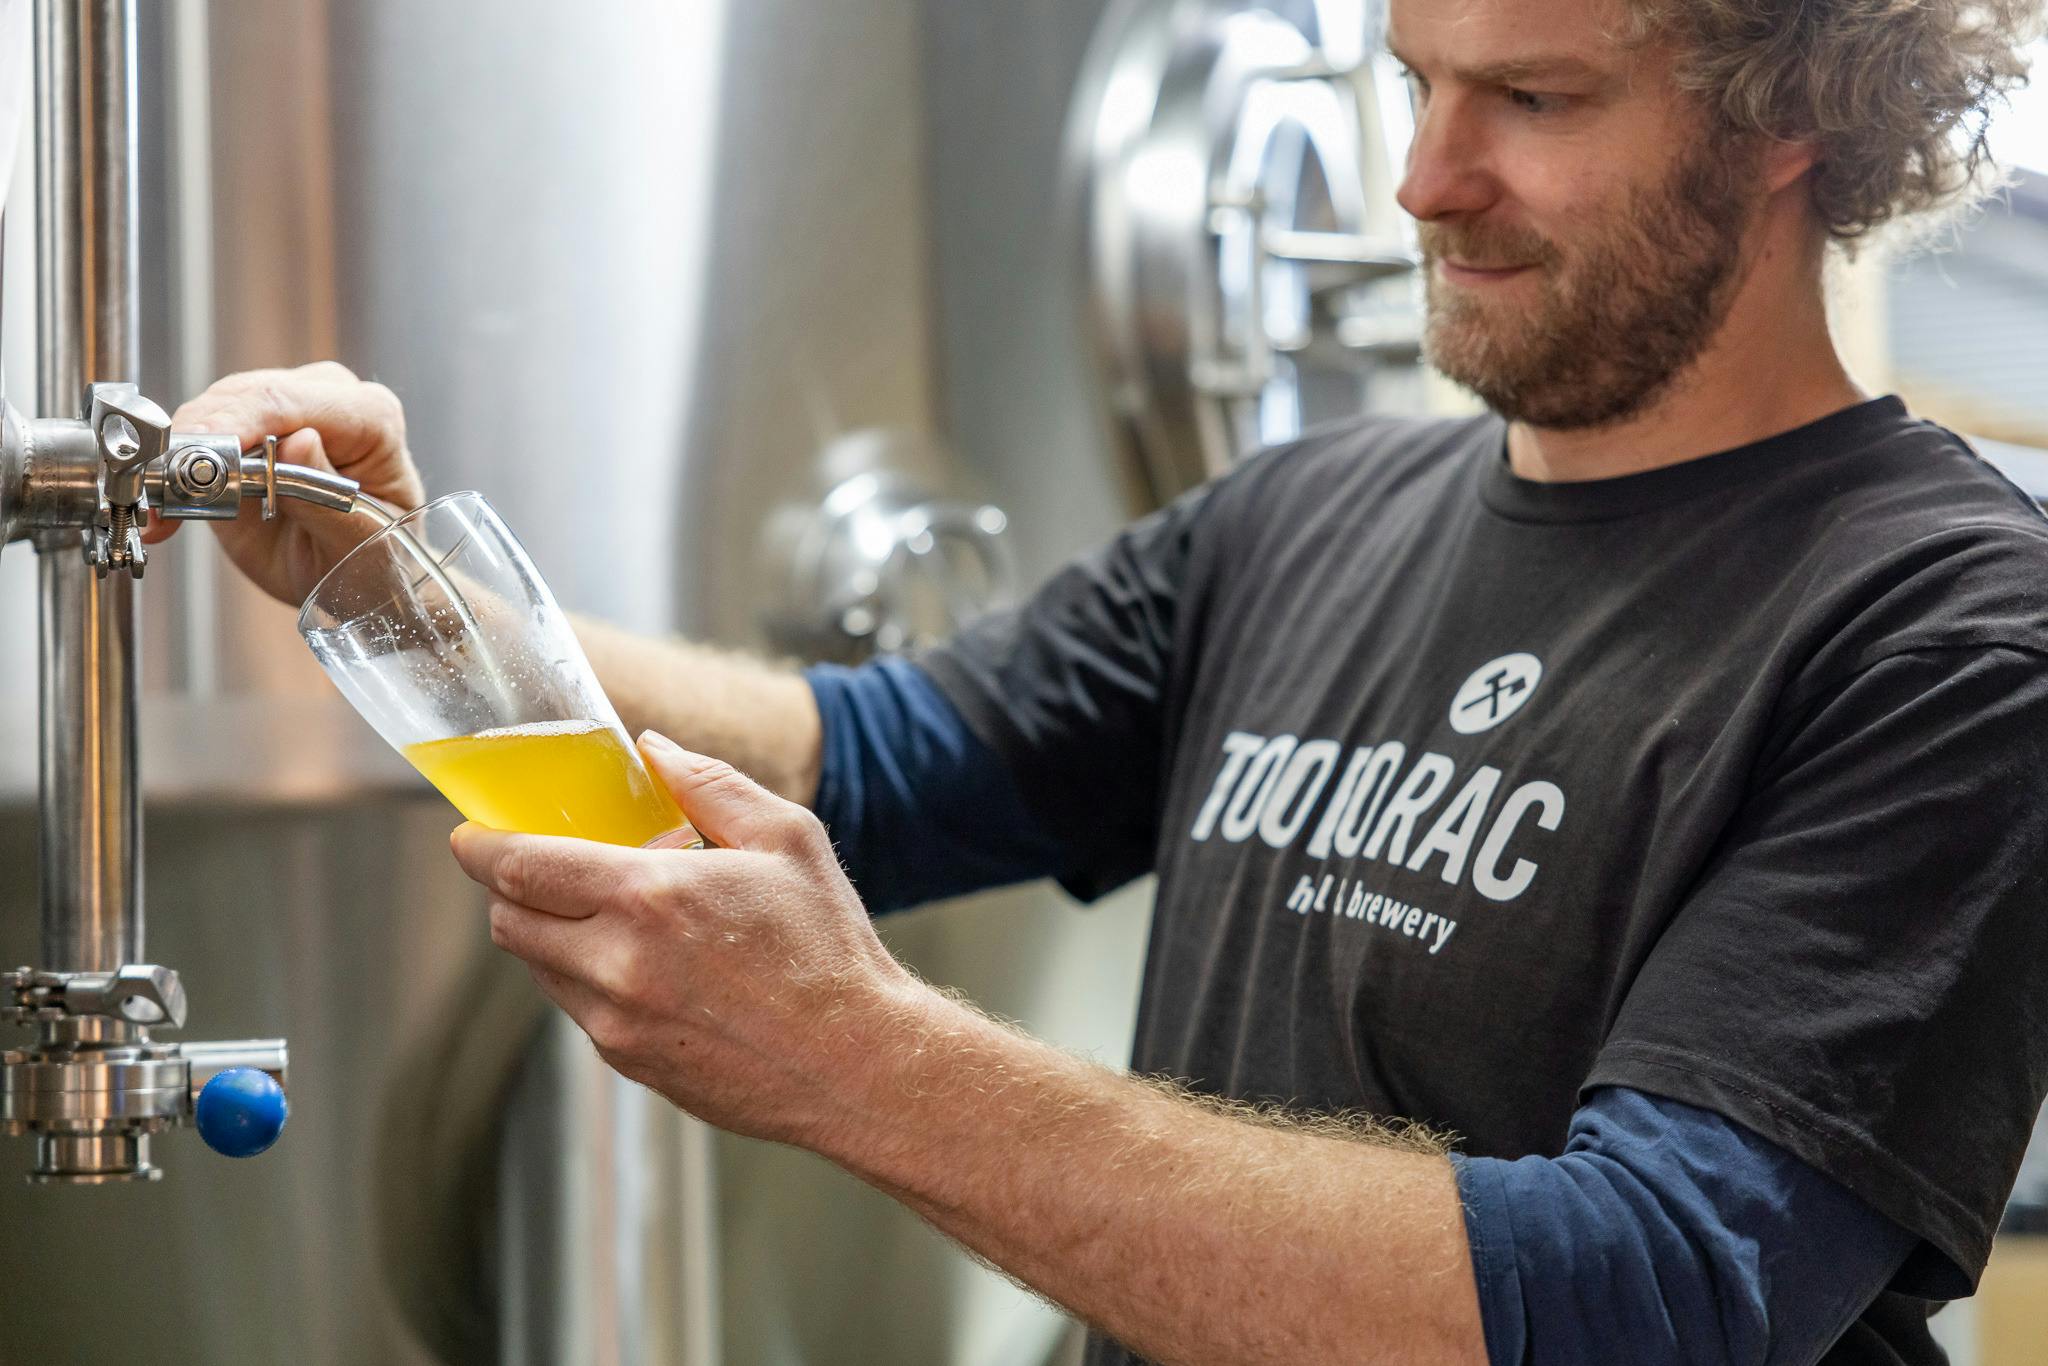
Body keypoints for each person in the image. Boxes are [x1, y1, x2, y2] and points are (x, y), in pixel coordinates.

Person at [156, 0, 2048, 1360]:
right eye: (1413, 77)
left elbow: (1649, 1302)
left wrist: (859, 1057)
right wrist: (391, 591)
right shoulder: (1299, 513)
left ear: (1801, 104)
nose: (1426, 180)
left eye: (1535, 97)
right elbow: (862, 767)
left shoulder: (1948, 631)